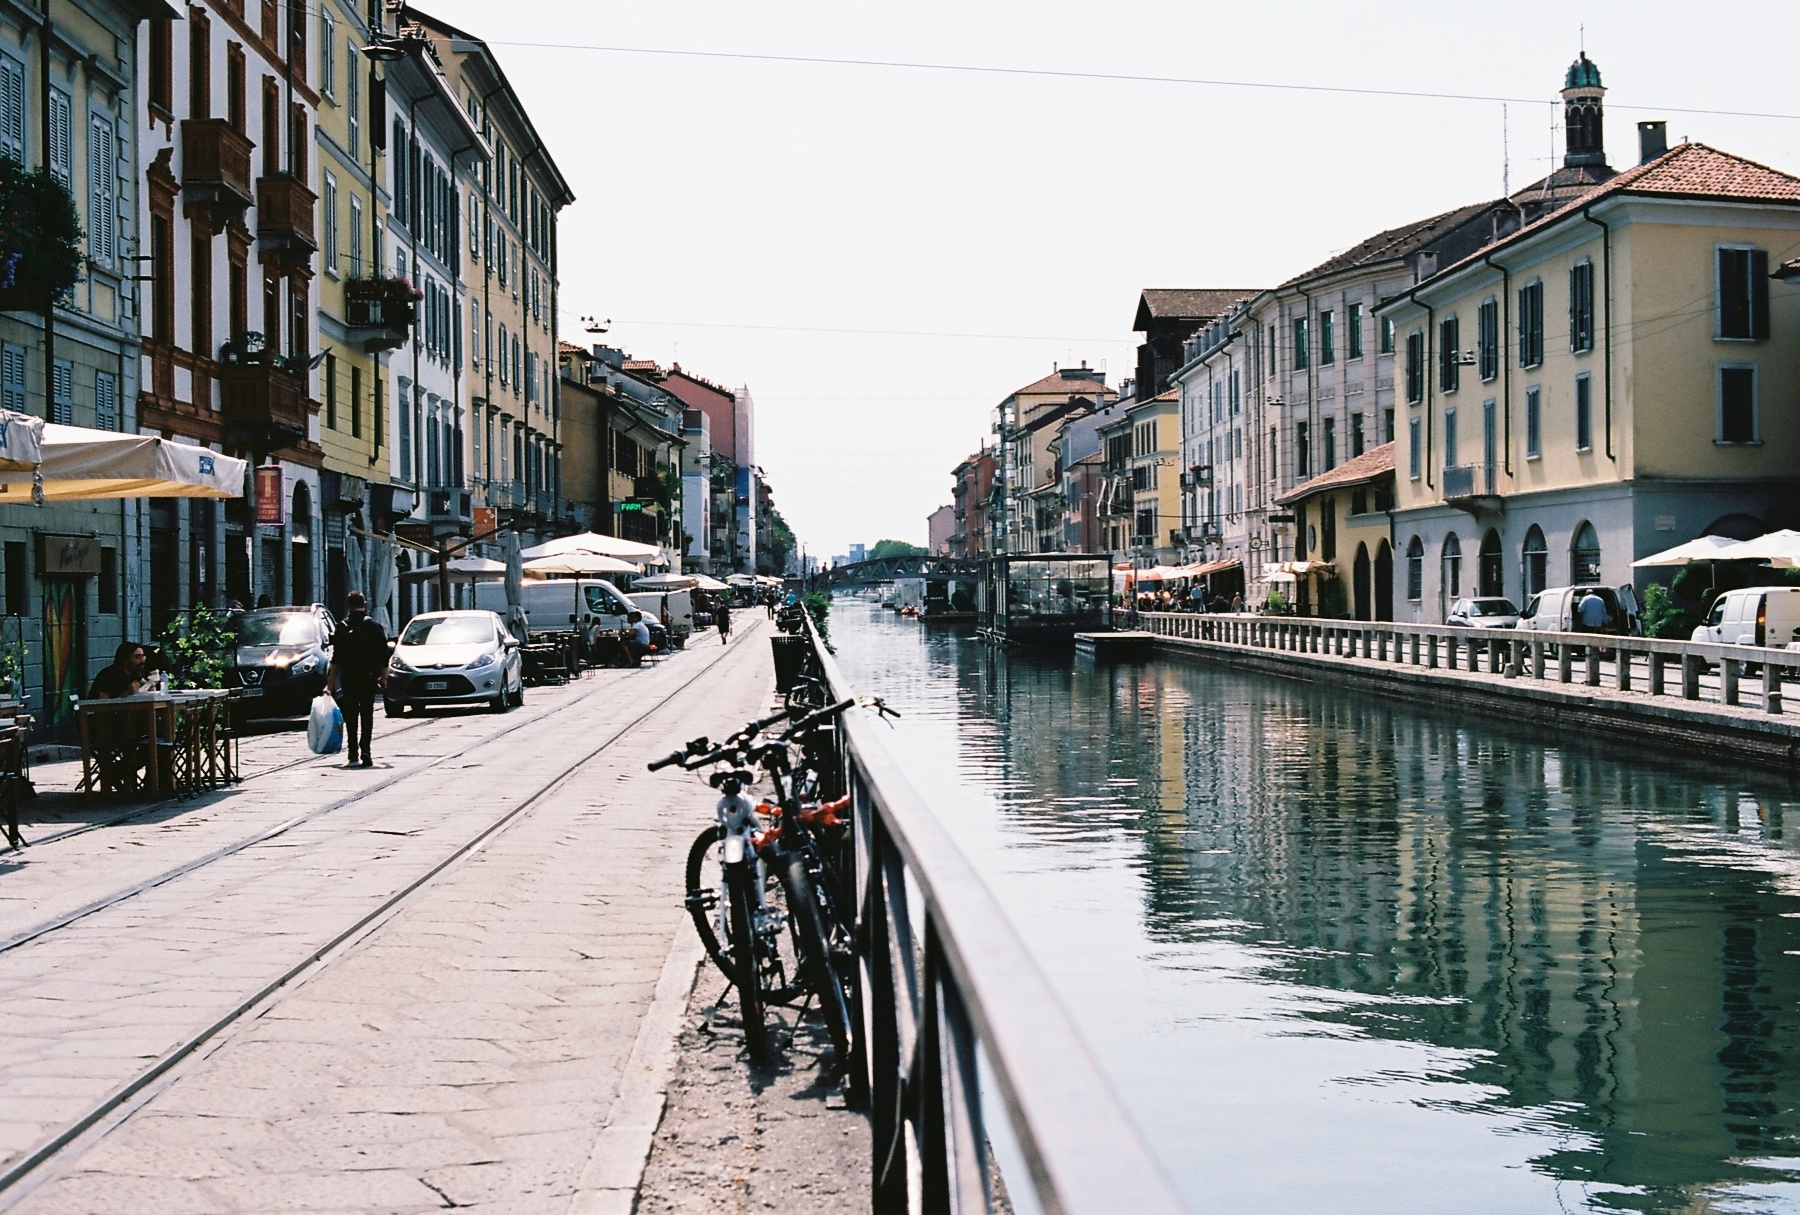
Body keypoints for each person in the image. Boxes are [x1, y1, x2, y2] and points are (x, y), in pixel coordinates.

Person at [327, 591, 388, 768]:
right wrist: (383, 678)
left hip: (349, 677)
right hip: (368, 677)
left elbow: (336, 659)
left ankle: (352, 752)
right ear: (365, 604)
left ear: (348, 606)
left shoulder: (341, 627)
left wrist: (329, 685)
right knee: (367, 714)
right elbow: (384, 656)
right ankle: (366, 750)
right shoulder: (374, 627)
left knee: (351, 714)